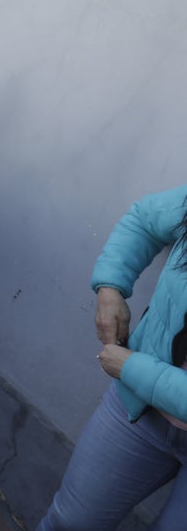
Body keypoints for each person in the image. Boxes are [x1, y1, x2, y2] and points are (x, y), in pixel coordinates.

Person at [36, 185, 187, 530]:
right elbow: (143, 219)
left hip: (137, 379)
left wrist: (132, 368)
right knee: (69, 522)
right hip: (139, 411)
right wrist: (110, 287)